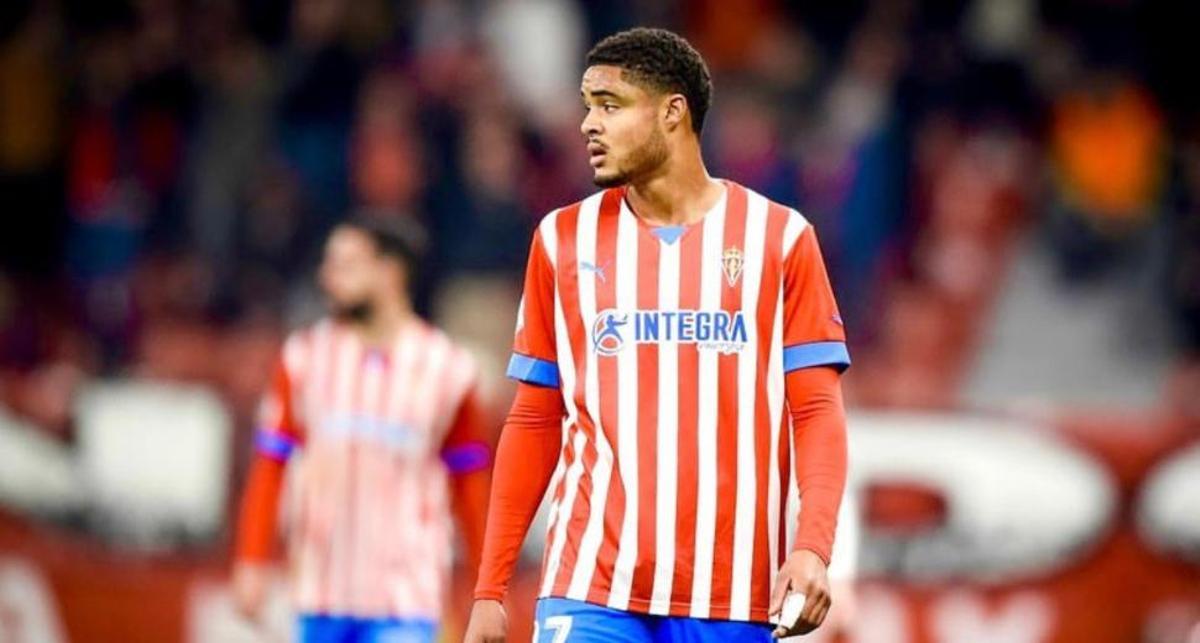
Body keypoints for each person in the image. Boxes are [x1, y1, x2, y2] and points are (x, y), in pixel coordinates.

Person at [464, 27, 850, 643]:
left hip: (733, 593)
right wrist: (490, 589)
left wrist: (813, 548)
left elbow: (815, 409)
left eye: (609, 106)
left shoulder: (780, 239)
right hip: (590, 583)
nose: (588, 123)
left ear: (673, 112)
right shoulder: (562, 240)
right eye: (587, 105)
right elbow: (535, 417)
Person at [232, 216, 491, 642]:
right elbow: (270, 465)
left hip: (406, 596)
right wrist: (251, 558)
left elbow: (470, 483)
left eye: (346, 264)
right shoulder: (304, 359)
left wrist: (487, 589)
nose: (327, 277)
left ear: (390, 272)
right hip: (321, 591)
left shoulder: (448, 369)